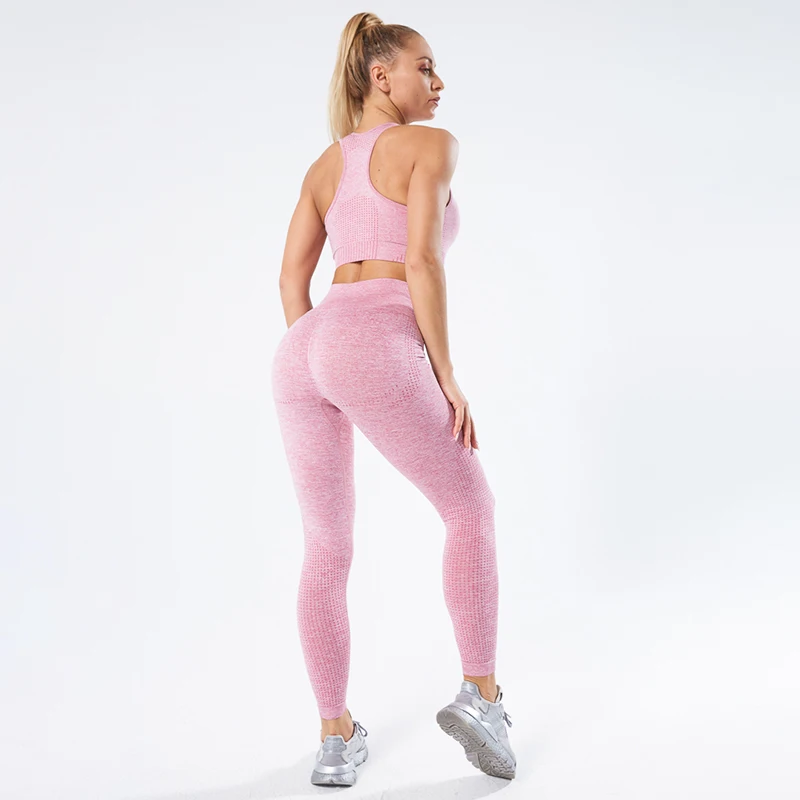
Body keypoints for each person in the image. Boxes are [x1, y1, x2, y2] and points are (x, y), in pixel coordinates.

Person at [270, 12, 516, 786]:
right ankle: (483, 698)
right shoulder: (430, 146)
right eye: (425, 67)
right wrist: (445, 373)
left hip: (302, 350)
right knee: (470, 508)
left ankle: (334, 738)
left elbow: (290, 280)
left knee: (326, 548)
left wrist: (324, 357)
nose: (438, 83)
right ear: (382, 76)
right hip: (372, 336)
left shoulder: (324, 166)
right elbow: (420, 262)